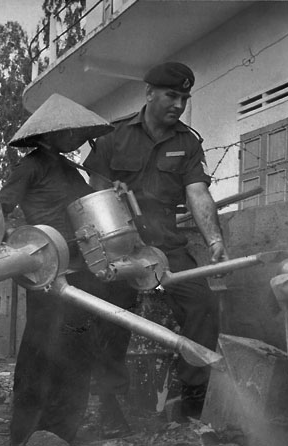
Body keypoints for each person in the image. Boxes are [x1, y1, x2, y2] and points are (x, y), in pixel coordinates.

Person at [84, 61, 229, 424]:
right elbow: (93, 194)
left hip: (167, 246)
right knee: (107, 314)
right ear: (149, 93)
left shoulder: (187, 142)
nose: (178, 104)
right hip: (121, 246)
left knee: (203, 305)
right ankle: (109, 405)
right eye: (171, 95)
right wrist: (112, 195)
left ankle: (192, 401)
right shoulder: (112, 137)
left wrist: (214, 240)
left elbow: (197, 193)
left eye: (184, 97)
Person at [0, 93, 127, 445]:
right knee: (41, 355)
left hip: (82, 273)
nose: (78, 139)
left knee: (77, 355)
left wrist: (112, 191)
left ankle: (62, 433)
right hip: (49, 274)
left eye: (81, 133)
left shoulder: (72, 170)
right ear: (52, 133)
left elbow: (90, 208)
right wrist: (11, 245)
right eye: (73, 132)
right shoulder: (30, 166)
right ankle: (24, 436)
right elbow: (0, 207)